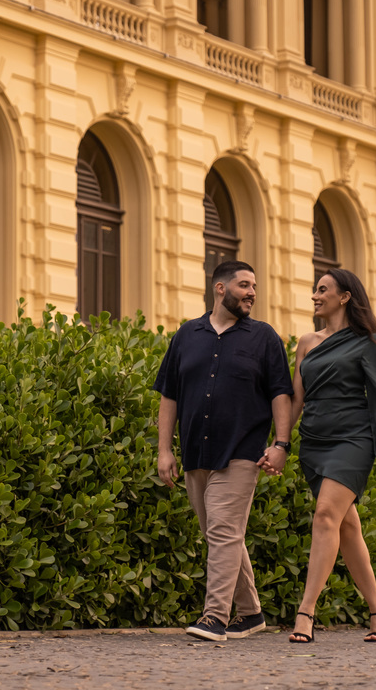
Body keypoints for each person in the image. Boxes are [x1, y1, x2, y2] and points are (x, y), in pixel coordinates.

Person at [154, 260, 294, 642]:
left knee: (223, 531)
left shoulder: (264, 338)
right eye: (245, 285)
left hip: (242, 451)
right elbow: (169, 395)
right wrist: (164, 450)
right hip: (196, 452)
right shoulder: (187, 335)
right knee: (221, 534)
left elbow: (281, 393)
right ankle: (250, 614)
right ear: (220, 288)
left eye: (254, 286)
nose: (252, 292)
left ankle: (215, 616)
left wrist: (281, 444)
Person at [258, 267, 376, 644]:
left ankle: (306, 614)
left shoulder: (366, 342)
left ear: (345, 296)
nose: (315, 296)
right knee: (347, 527)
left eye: (323, 290)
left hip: (353, 441)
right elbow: (296, 399)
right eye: (314, 290)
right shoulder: (306, 342)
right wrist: (281, 444)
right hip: (315, 443)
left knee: (324, 516)